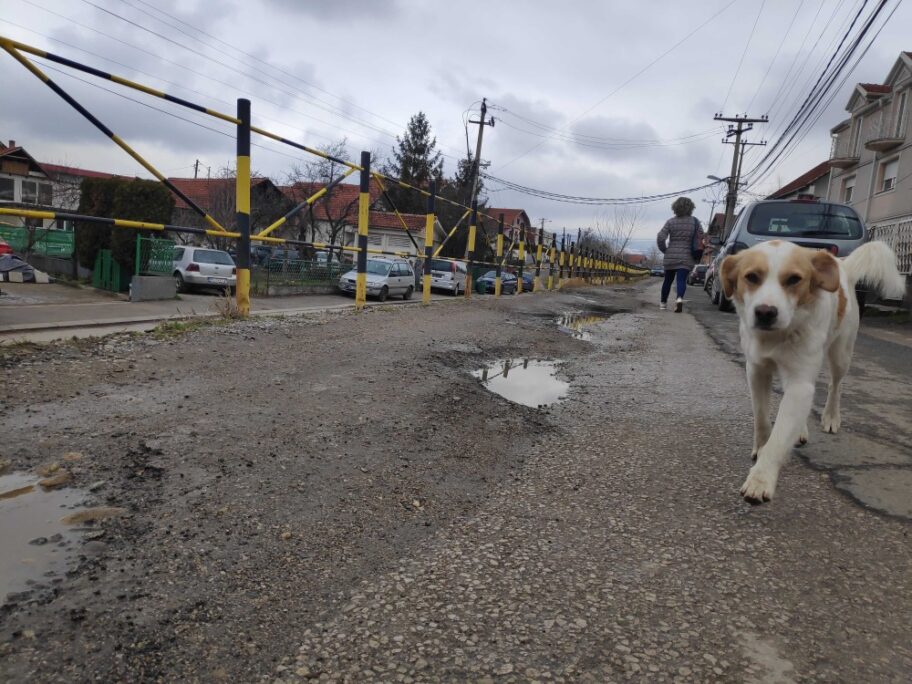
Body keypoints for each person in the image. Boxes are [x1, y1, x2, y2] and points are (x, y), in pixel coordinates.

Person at [656, 196, 704, 312]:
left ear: (675, 207)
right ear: (691, 207)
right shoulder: (695, 222)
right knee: (681, 280)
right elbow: (701, 237)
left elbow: (660, 237)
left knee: (667, 280)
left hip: (671, 255)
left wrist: (665, 250)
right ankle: (679, 299)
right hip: (687, 257)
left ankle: (663, 304)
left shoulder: (671, 222)